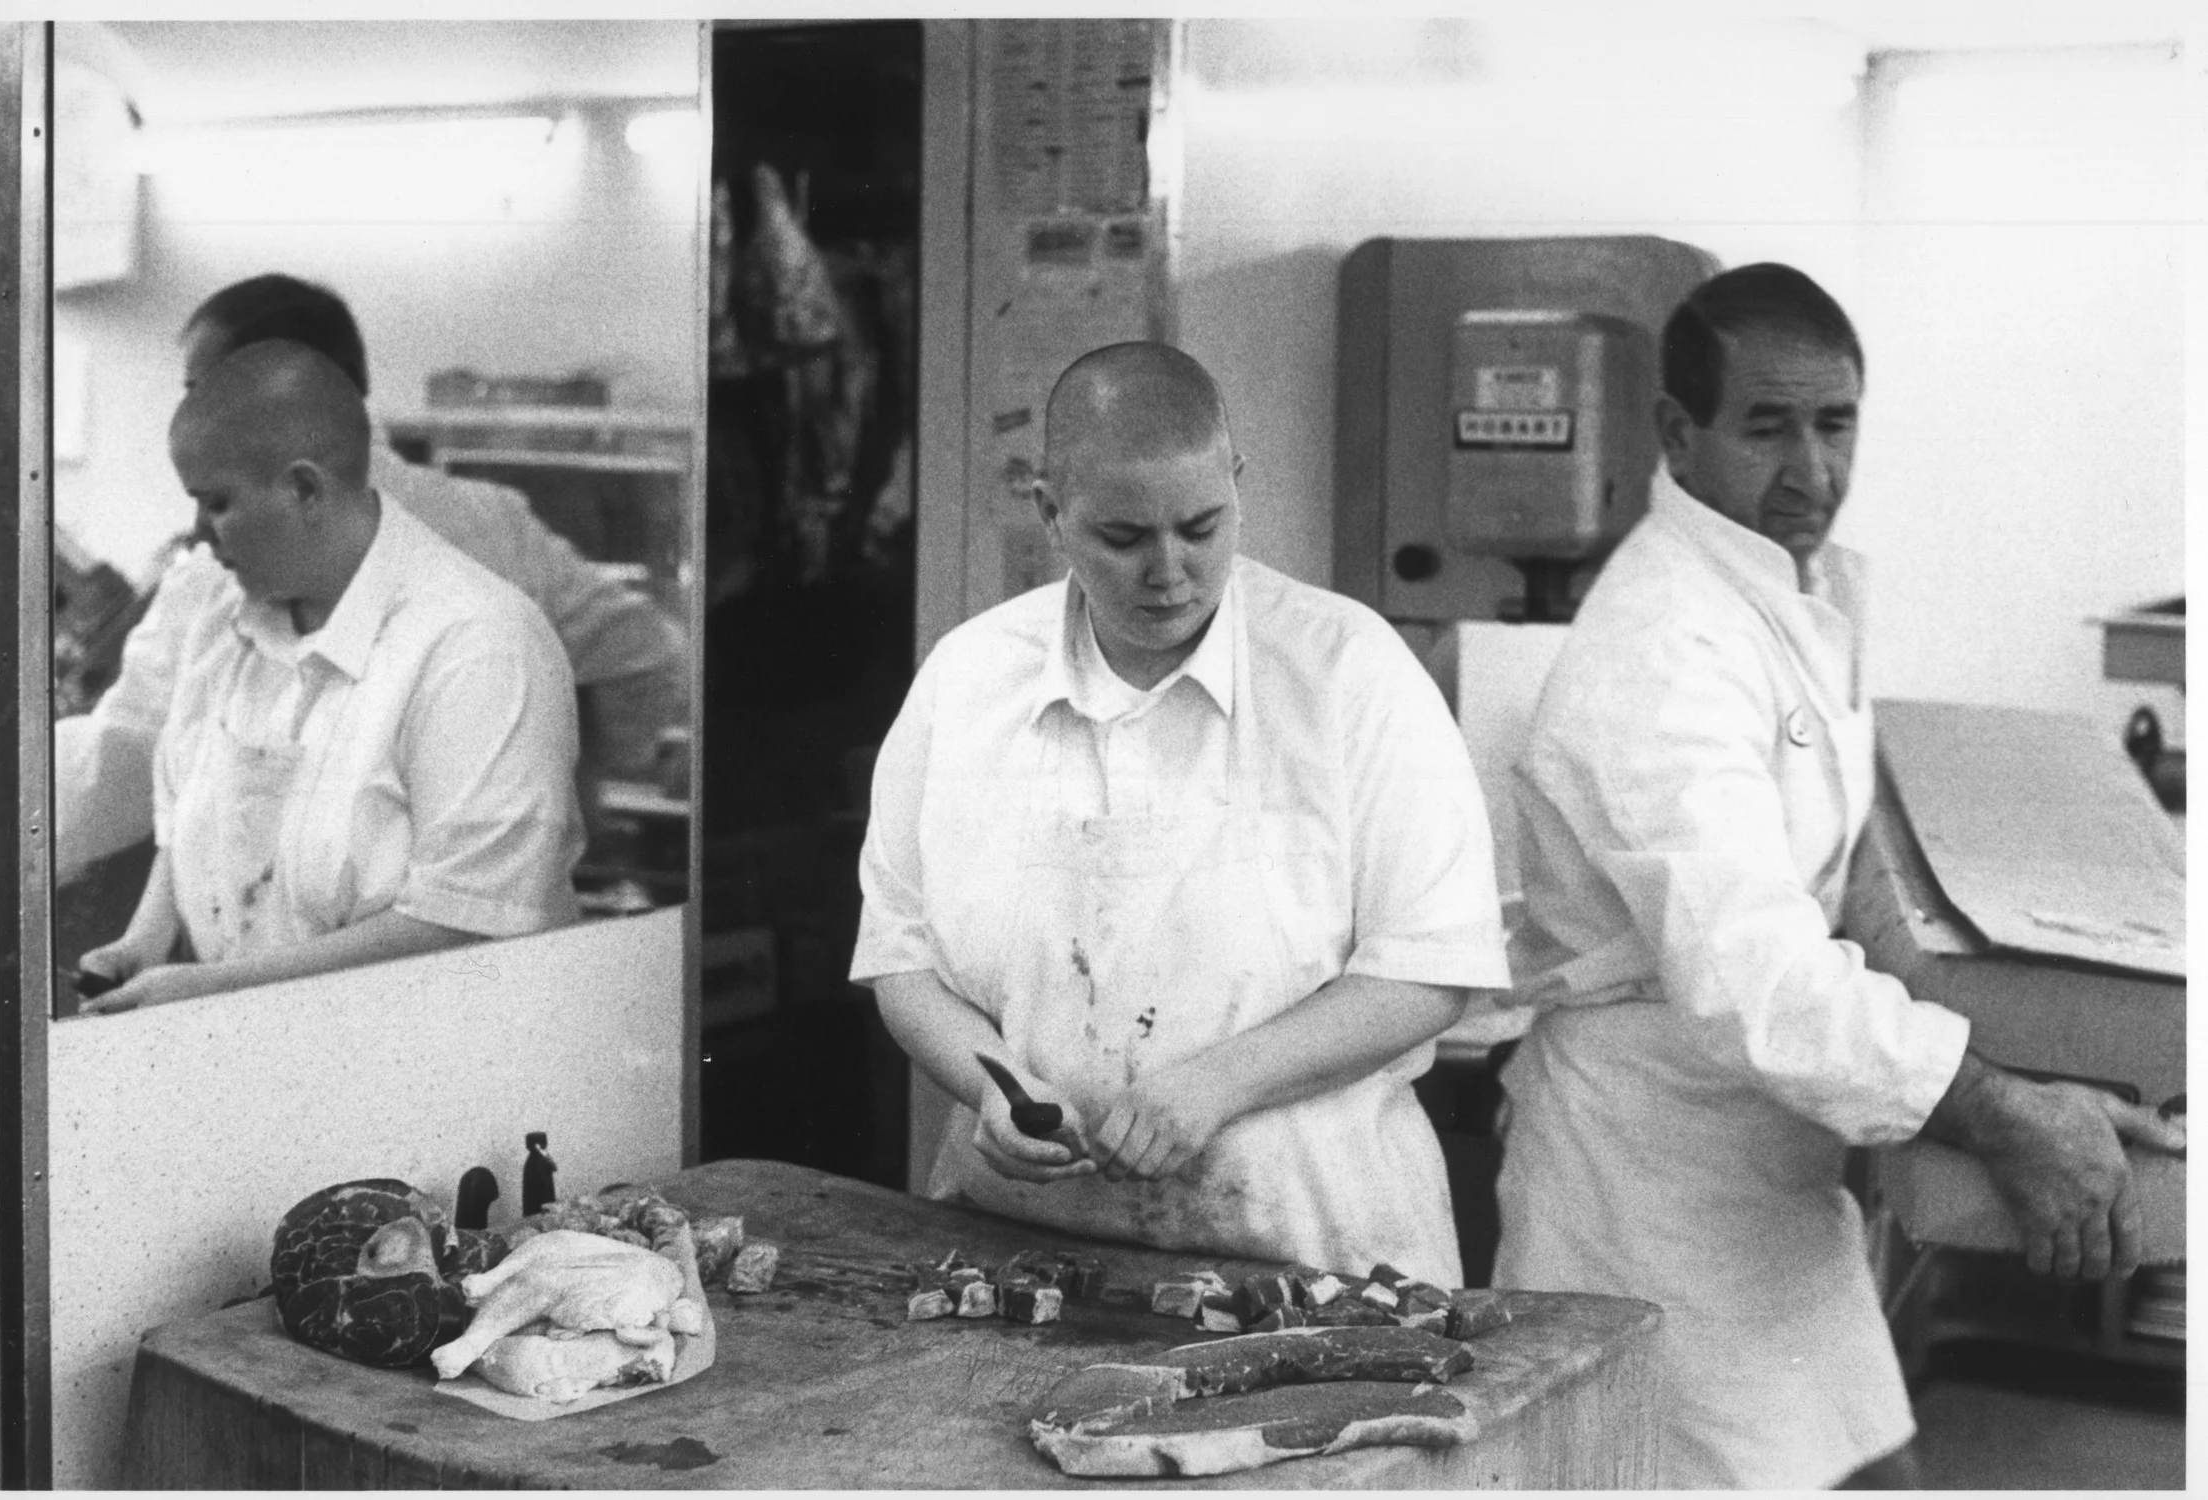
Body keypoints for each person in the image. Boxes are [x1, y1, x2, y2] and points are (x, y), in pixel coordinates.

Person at [1492, 263, 2187, 1489]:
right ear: (1677, 433)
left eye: (1835, 423)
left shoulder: (1790, 589)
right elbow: (1756, 978)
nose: (1810, 469)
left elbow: (1833, 865)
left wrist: (2028, 1056)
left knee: (1870, 1470)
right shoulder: (1662, 651)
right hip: (1646, 1190)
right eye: (1766, 427)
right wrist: (2002, 1111)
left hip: (1771, 1164)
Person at [850, 342, 1509, 1284]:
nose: (1169, 571)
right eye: (1122, 538)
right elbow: (901, 959)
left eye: (1201, 527)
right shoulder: (968, 678)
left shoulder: (1346, 672)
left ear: (1236, 485)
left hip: (1312, 1251)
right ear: (1049, 511)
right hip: (1024, 1247)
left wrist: (1216, 1086)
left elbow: (1430, 969)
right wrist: (992, 1087)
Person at [55, 273, 686, 877]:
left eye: (202, 392)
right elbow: (646, 653)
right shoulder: (491, 522)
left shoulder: (227, 566)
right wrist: (574, 774)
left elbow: (123, 764)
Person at [75, 341, 584, 1013]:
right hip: (258, 1039)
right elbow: (192, 815)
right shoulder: (222, 619)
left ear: (304, 488)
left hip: (429, 1052)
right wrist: (146, 940)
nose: (200, 533)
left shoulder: (479, 646)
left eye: (217, 503)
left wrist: (213, 991)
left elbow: (465, 924)